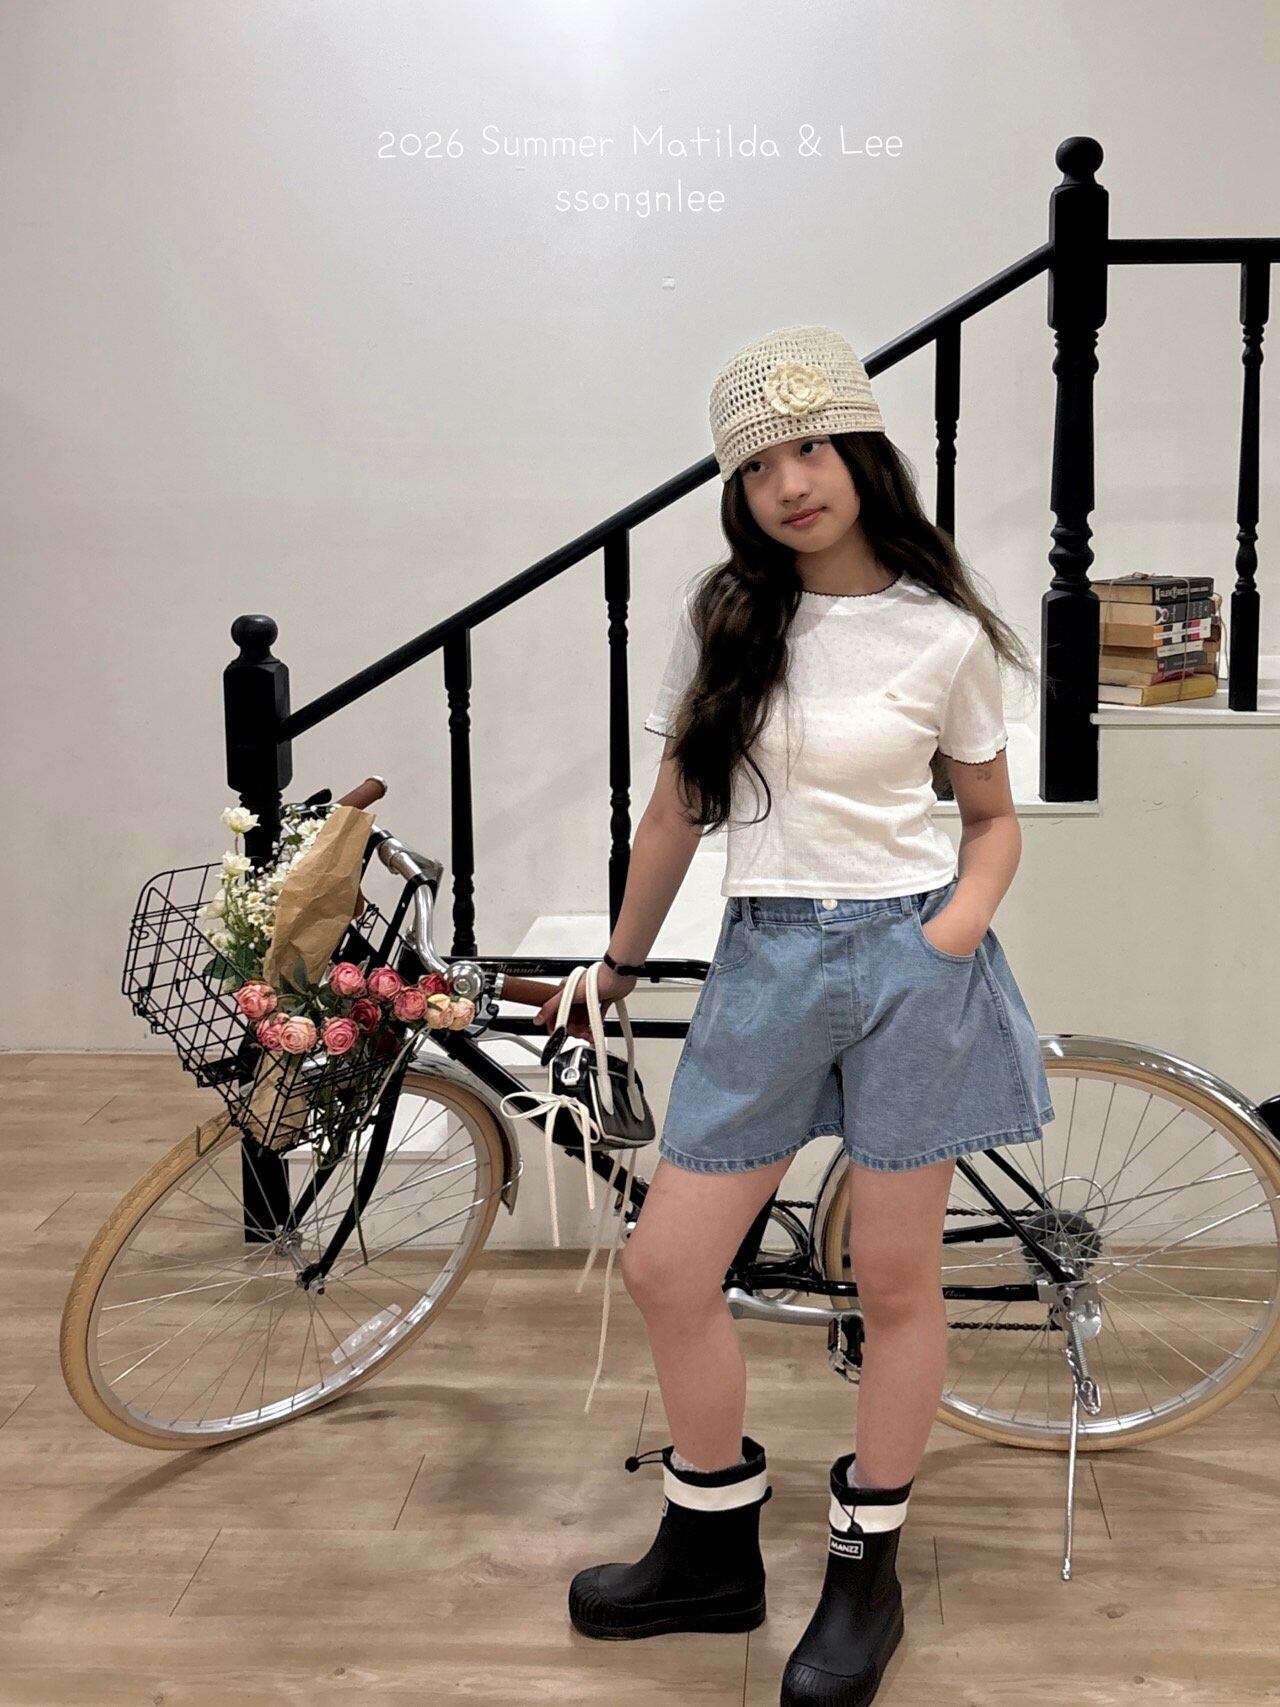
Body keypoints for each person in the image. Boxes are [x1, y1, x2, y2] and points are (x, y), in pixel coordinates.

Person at [535, 324, 1056, 1706]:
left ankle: (865, 1567)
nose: (788, 485)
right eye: (757, 467)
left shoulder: (944, 634)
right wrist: (619, 962)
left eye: (809, 449)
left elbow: (992, 820)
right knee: (668, 1267)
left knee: (894, 1281)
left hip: (909, 966)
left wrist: (950, 932)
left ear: (861, 455)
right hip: (765, 960)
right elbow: (675, 812)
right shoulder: (729, 618)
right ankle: (711, 1543)